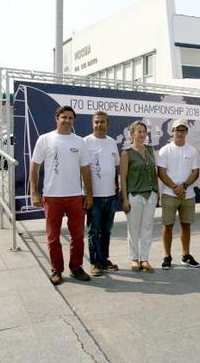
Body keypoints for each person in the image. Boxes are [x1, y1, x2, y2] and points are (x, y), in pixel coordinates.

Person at [29, 105, 93, 285]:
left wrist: (89, 194)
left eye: (70, 118)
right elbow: (34, 167)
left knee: (78, 235)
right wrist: (34, 193)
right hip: (52, 196)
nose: (67, 120)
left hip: (75, 196)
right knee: (53, 236)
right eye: (63, 117)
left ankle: (76, 267)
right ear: (57, 118)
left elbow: (86, 170)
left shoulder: (80, 142)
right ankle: (56, 269)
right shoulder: (45, 139)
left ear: (74, 121)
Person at [157, 119, 200, 269]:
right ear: (173, 131)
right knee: (167, 225)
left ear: (186, 133)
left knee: (186, 226)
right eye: (177, 130)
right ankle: (167, 256)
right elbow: (161, 172)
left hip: (187, 195)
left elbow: (196, 172)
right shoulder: (165, 150)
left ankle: (186, 255)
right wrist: (175, 188)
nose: (180, 133)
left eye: (183, 130)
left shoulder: (192, 150)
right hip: (170, 194)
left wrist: (184, 186)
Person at [83, 111, 120, 276]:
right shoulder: (85, 142)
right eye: (96, 122)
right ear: (93, 123)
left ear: (108, 124)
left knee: (106, 231)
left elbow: (116, 167)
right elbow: (82, 171)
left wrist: (117, 188)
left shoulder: (112, 143)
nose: (99, 125)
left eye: (102, 122)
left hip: (110, 196)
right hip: (94, 197)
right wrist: (87, 195)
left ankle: (104, 259)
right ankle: (95, 262)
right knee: (93, 231)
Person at [120, 120, 159, 273]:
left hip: (151, 194)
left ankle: (144, 259)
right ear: (132, 134)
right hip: (134, 195)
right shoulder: (126, 153)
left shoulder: (150, 150)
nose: (142, 134)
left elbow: (154, 172)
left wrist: (158, 192)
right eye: (139, 132)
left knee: (147, 228)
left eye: (144, 132)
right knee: (133, 229)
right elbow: (123, 178)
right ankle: (135, 259)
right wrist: (124, 199)